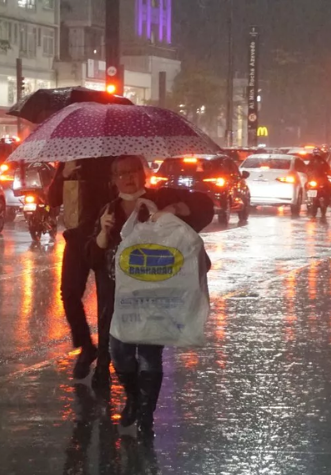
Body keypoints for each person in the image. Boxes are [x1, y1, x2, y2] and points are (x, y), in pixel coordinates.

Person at [88, 155, 215, 437]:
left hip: (157, 294)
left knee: (149, 354)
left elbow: (205, 206)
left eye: (134, 171)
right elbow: (93, 257)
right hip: (120, 300)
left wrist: (172, 209)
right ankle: (134, 397)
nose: (128, 177)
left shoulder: (160, 197)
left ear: (143, 174)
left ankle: (146, 414)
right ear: (114, 179)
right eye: (121, 173)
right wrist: (102, 232)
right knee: (119, 354)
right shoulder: (109, 209)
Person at [46, 156, 116, 385]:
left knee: (107, 301)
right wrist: (64, 175)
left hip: (108, 237)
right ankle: (86, 346)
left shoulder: (116, 157)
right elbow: (53, 199)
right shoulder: (72, 158)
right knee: (69, 293)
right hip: (78, 239)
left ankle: (104, 361)